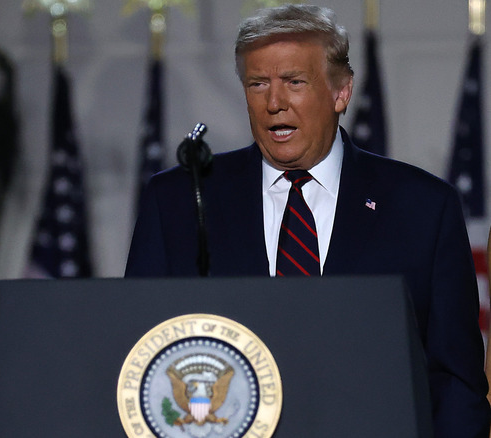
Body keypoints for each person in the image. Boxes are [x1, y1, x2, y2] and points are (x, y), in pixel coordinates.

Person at [126, 4, 490, 436]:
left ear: (341, 92)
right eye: (257, 84)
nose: (274, 103)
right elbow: (140, 350)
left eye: (294, 82)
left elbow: (455, 382)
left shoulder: (423, 207)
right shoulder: (182, 200)